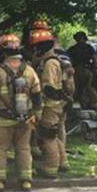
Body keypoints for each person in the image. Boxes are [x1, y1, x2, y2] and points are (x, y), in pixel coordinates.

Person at [0, 33, 43, 192]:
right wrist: (36, 114)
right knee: (24, 148)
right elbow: (37, 95)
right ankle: (25, 181)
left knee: (0, 148)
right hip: (26, 118)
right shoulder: (29, 71)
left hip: (2, 118)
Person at [31, 28, 68, 179]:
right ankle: (63, 162)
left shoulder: (50, 64)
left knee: (48, 136)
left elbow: (49, 88)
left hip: (51, 105)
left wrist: (40, 104)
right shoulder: (52, 61)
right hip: (56, 104)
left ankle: (50, 167)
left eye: (36, 48)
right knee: (53, 135)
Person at [67, 31, 97, 110]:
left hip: (76, 70)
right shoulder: (89, 48)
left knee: (77, 88)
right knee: (89, 87)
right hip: (87, 70)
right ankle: (95, 104)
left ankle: (82, 104)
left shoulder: (72, 49)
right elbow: (95, 59)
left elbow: (68, 60)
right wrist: (95, 68)